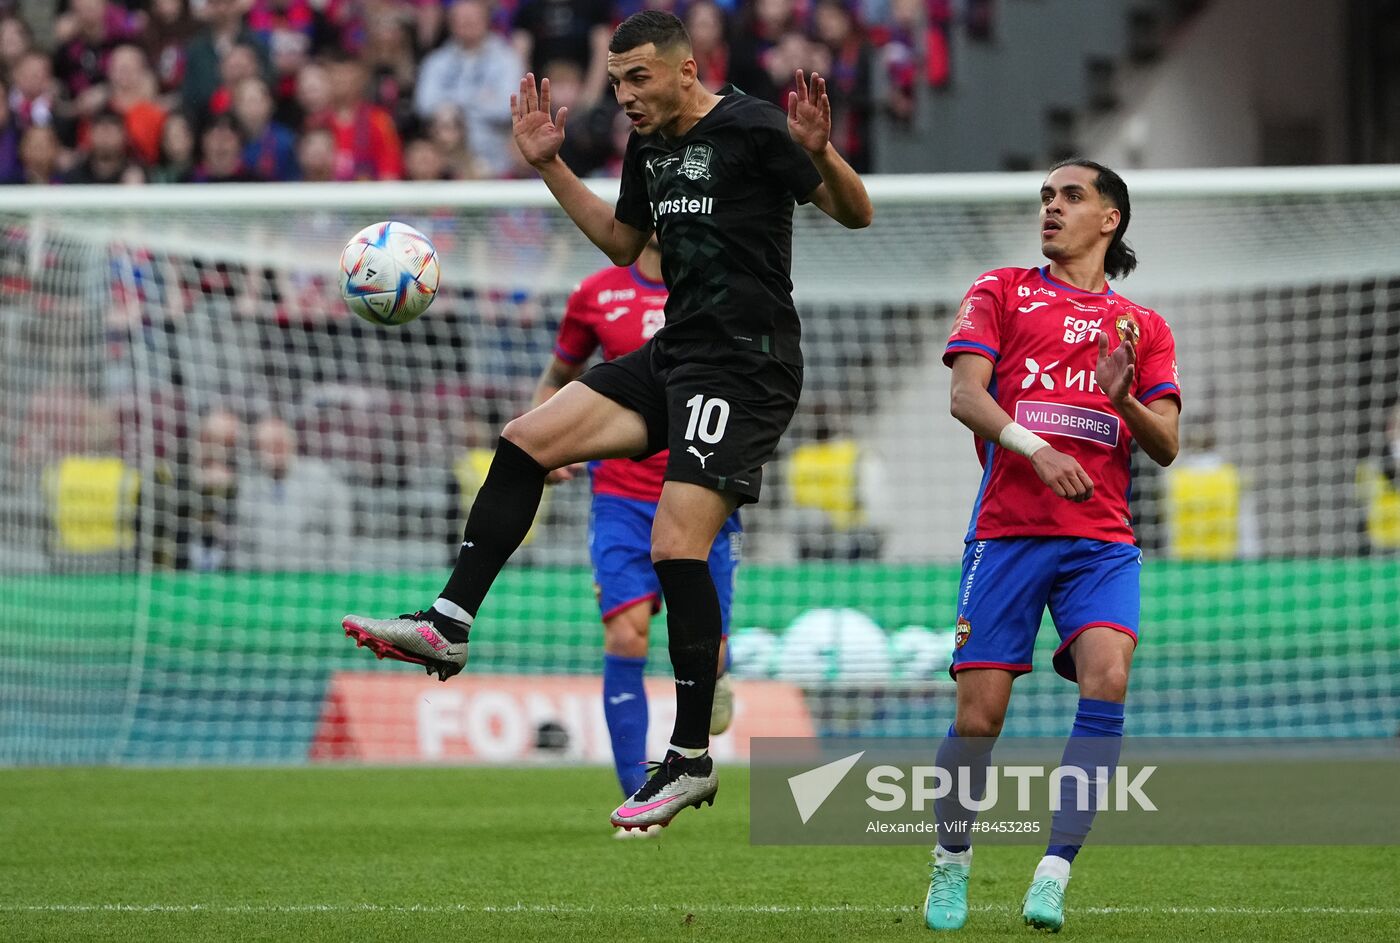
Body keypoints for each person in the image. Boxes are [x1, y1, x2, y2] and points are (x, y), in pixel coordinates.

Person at [342, 9, 871, 830]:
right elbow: (625, 244)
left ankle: (690, 757)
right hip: (677, 353)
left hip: (746, 361)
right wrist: (550, 166)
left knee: (675, 546)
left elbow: (856, 213)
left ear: (685, 71)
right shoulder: (650, 145)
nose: (622, 96)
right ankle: (448, 624)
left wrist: (821, 149)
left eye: (638, 79)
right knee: (525, 440)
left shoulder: (756, 127)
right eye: (616, 81)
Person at [925, 159, 1181, 933]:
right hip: (1007, 531)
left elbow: (1167, 443)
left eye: (1071, 196)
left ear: (1110, 219)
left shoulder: (1145, 327)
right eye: (1046, 196)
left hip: (1100, 540)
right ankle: (951, 863)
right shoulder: (1000, 289)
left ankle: (1053, 873)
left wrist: (1124, 398)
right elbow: (965, 395)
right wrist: (1036, 448)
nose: (1052, 206)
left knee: (1108, 678)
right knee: (981, 718)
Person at [539, 237, 742, 835]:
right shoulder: (595, 294)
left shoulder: (717, 290)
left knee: (712, 648)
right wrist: (544, 444)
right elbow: (558, 376)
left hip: (700, 487)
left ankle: (720, 678)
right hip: (620, 497)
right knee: (627, 635)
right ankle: (639, 791)